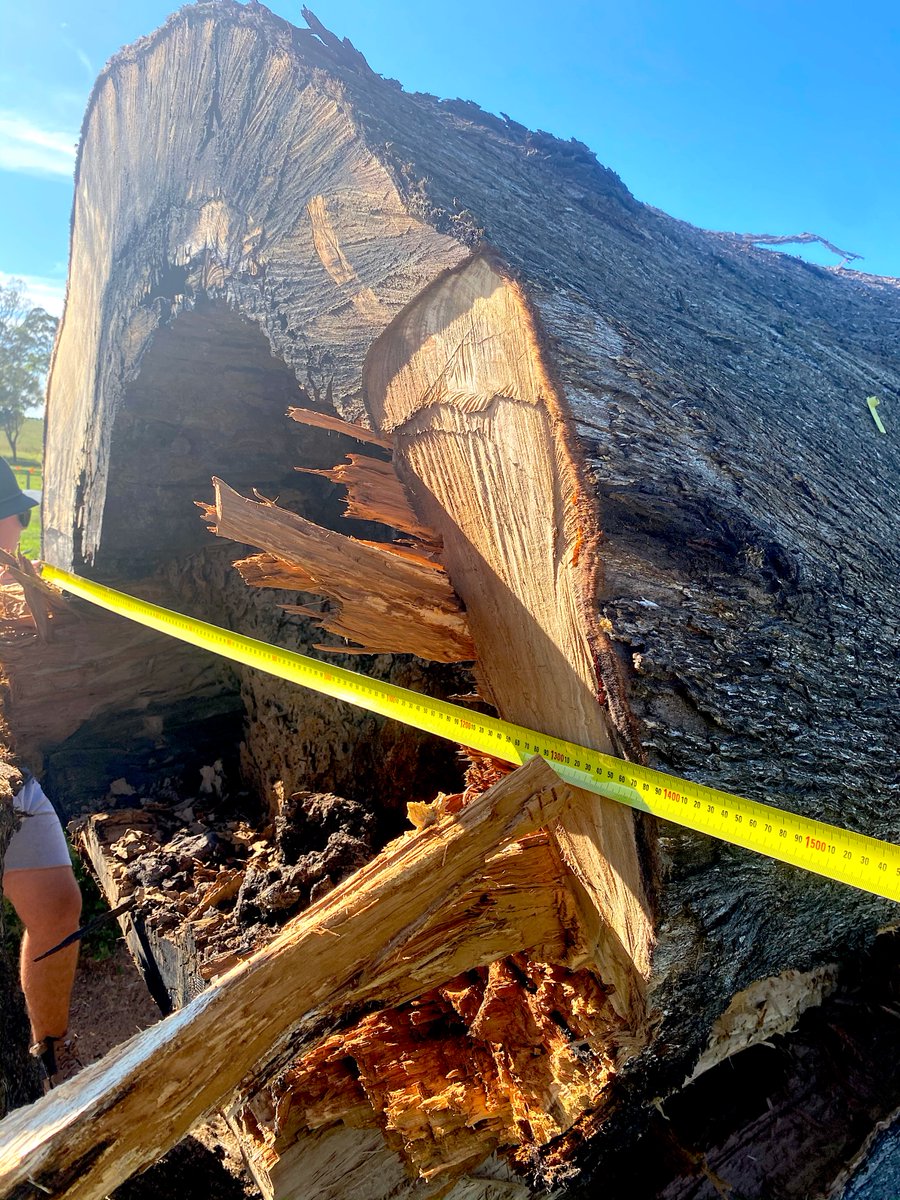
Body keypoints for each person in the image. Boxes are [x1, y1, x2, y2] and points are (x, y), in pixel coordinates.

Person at [0, 457, 82, 1088]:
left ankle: (48, 1054)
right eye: (16, 516)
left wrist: (30, 596)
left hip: (9, 773)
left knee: (57, 907)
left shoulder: (10, 584)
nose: (22, 529)